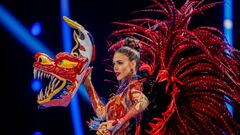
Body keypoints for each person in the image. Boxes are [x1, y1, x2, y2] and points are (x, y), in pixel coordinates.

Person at [83, 37, 149, 135]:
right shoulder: (120, 94)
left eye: (120, 63)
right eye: (114, 63)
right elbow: (101, 113)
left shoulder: (134, 87)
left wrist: (119, 122)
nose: (115, 67)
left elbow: (143, 102)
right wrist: (88, 85)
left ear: (132, 64)